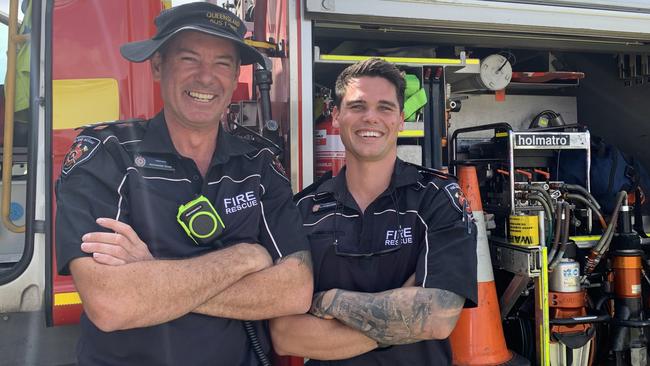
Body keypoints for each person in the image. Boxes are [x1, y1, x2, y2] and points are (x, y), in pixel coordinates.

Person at [55, 3, 313, 365]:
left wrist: (150, 275)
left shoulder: (258, 165)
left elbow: (295, 291)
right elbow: (111, 303)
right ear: (158, 66)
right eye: (189, 59)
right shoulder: (106, 156)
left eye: (222, 63)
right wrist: (245, 257)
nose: (206, 78)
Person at [270, 58, 478, 365]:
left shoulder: (438, 199)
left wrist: (327, 302)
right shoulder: (303, 210)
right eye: (357, 106)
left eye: (384, 107)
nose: (371, 118)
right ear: (337, 116)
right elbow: (285, 335)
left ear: (401, 119)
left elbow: (437, 317)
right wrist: (402, 318)